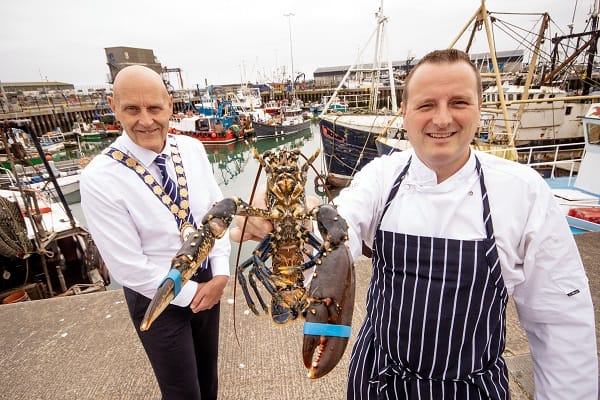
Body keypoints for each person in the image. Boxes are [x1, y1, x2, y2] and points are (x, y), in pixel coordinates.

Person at [230, 49, 598, 399]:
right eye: (426, 105)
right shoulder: (380, 177)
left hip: (469, 389)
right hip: (377, 382)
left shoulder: (525, 192)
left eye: (458, 102)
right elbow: (339, 231)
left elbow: (561, 324)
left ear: (479, 108)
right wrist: (285, 228)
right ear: (404, 112)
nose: (441, 119)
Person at [80, 65, 230, 400]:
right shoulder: (99, 178)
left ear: (170, 106)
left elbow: (218, 213)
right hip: (154, 292)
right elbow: (126, 267)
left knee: (209, 382)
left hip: (207, 278)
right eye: (132, 109)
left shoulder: (192, 149)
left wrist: (220, 272)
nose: (145, 120)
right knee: (181, 392)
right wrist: (193, 294)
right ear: (113, 106)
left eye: (154, 108)